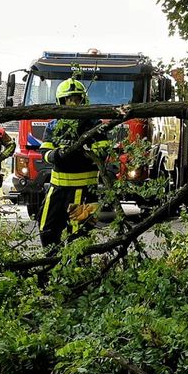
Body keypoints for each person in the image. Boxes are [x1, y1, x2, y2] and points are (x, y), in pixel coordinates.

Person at [38, 79, 110, 252]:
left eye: (76, 99)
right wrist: (57, 155)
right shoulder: (54, 126)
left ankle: (79, 273)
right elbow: (45, 153)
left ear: (83, 100)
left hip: (83, 190)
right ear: (60, 102)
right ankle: (50, 266)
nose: (72, 103)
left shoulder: (94, 124)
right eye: (68, 100)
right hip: (57, 189)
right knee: (46, 228)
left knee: (78, 235)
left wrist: (80, 152)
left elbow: (102, 153)